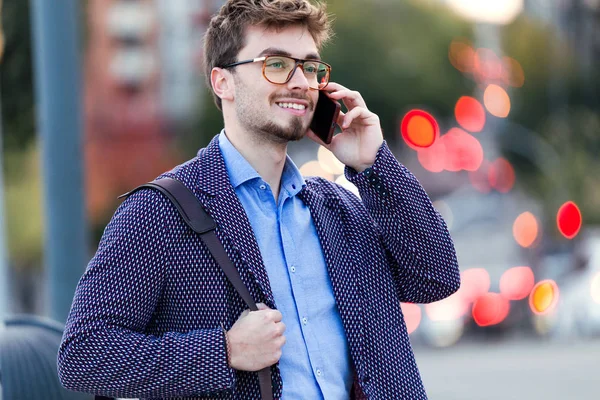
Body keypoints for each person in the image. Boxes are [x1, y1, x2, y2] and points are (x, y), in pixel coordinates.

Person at [57, 0, 460, 399]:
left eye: (310, 67)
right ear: (223, 82)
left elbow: (437, 277)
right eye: (277, 64)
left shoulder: (341, 208)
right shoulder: (160, 213)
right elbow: (83, 354)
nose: (301, 82)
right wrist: (223, 351)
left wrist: (375, 164)